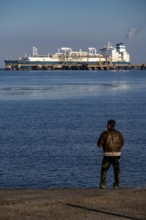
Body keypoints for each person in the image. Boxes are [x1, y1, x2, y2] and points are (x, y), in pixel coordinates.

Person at [97, 119, 124, 189]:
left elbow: (99, 144)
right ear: (114, 125)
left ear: (109, 125)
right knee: (117, 170)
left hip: (107, 154)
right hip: (117, 154)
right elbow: (122, 143)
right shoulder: (119, 134)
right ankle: (116, 185)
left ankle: (102, 185)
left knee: (104, 170)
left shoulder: (104, 133)